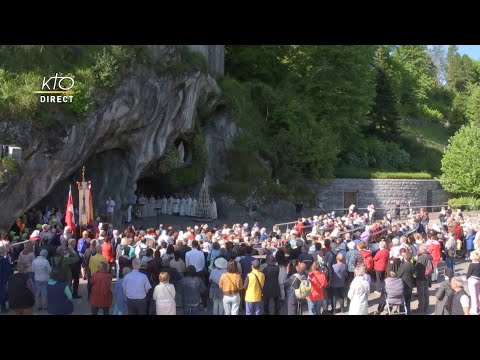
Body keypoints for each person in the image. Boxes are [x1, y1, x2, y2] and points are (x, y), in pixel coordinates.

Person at [466, 250, 480, 315]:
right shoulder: (479, 264)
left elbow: (469, 273)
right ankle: (479, 306)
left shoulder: (471, 265)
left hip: (472, 280)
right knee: (478, 294)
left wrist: (466, 279)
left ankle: (474, 309)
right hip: (478, 279)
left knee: (473, 295)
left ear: (473, 257)